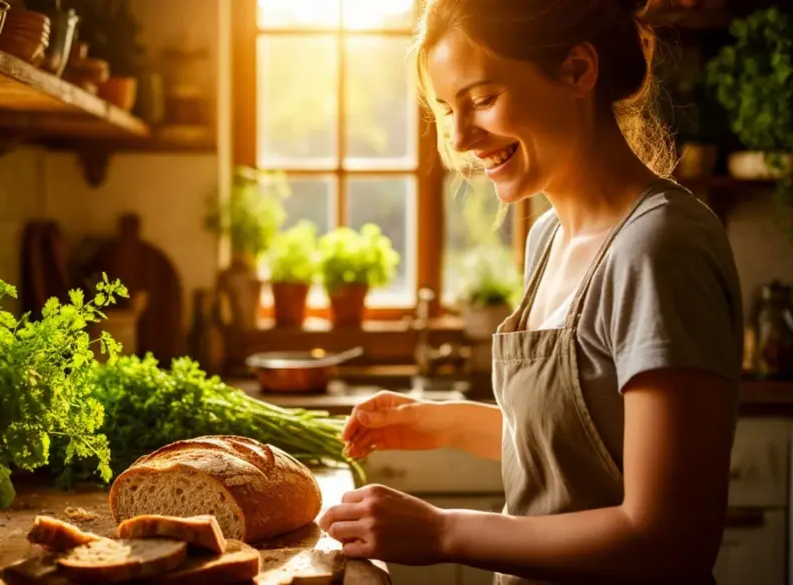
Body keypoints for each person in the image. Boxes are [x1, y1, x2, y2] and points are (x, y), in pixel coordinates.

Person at [318, 1, 744, 584]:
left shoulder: (659, 248)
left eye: (483, 100)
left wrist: (445, 532)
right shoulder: (547, 237)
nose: (463, 137)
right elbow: (584, 453)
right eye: (448, 109)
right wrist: (445, 424)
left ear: (576, 70)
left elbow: (669, 537)